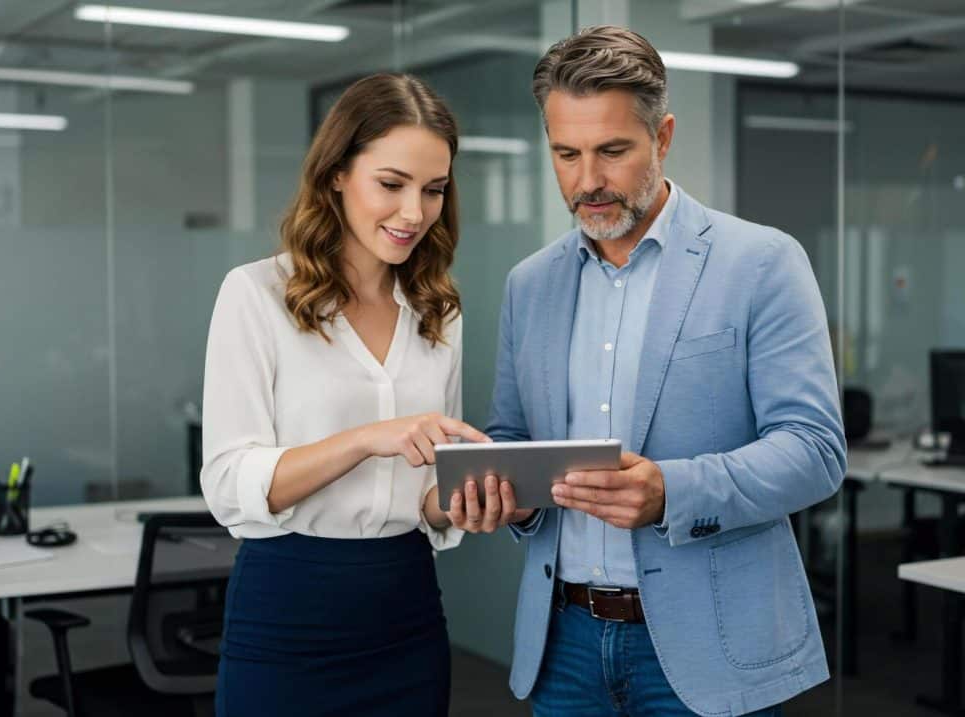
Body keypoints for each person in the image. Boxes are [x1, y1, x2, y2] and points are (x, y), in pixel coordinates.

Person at [483, 26, 848, 716]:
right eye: (566, 154)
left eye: (612, 150)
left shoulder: (761, 262)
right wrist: (510, 497)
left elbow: (815, 451)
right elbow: (512, 437)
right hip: (564, 647)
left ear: (663, 137)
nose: (587, 180)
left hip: (710, 647)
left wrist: (672, 492)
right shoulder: (529, 284)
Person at [200, 73, 515, 717]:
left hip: (406, 613)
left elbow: (424, 496)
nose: (414, 213)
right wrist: (367, 439)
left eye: (433, 190)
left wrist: (465, 502)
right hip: (289, 613)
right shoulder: (256, 295)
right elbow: (229, 483)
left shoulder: (439, 312)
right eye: (391, 184)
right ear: (337, 174)